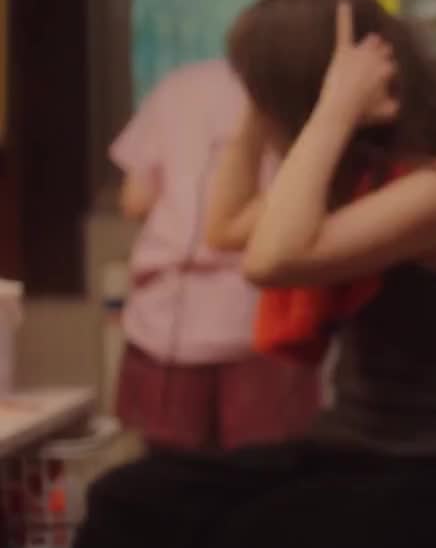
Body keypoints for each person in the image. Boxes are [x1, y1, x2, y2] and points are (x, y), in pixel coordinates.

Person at [68, 0, 436, 548]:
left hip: (429, 479)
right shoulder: (359, 174)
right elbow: (226, 226)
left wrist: (332, 110)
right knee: (127, 501)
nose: (263, 112)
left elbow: (271, 260)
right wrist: (260, 102)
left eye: (269, 94)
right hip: (343, 451)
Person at [111, 58, 320, 451]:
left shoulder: (178, 87)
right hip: (264, 316)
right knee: (264, 470)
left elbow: (135, 200)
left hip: (169, 322)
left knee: (172, 473)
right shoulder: (303, 88)